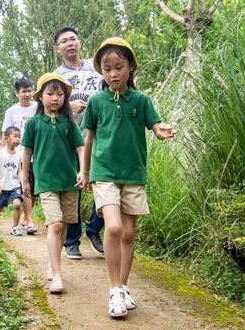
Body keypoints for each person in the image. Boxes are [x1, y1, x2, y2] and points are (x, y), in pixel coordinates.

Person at [80, 37, 176, 317]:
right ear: (101, 71)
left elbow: (154, 125)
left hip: (133, 173)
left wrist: (162, 130)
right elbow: (89, 138)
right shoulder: (96, 102)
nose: (113, 73)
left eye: (118, 67)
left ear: (130, 66)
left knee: (129, 232)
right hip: (104, 173)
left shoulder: (141, 100)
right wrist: (85, 171)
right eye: (107, 68)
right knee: (113, 228)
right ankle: (114, 289)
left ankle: (122, 286)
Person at [21, 73, 85, 294]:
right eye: (50, 93)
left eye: (60, 94)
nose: (55, 98)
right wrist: (24, 180)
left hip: (69, 181)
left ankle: (53, 263)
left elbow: (80, 147)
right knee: (55, 224)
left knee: (65, 225)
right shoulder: (34, 123)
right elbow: (27, 153)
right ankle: (57, 276)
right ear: (40, 97)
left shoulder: (69, 123)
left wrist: (83, 171)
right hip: (46, 181)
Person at [53, 26, 105, 260]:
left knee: (105, 183)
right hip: (71, 139)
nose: (70, 43)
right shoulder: (57, 77)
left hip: (100, 136)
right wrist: (68, 107)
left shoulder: (97, 69)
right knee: (74, 189)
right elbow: (47, 108)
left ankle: (94, 228)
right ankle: (71, 241)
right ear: (58, 49)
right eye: (64, 41)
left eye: (73, 39)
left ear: (80, 42)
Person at [1, 77, 38, 235]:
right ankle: (29, 220)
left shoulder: (38, 107)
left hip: (39, 153)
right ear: (17, 93)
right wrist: (5, 156)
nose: (27, 94)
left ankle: (25, 217)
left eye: (30, 90)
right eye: (24, 91)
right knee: (26, 187)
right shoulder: (11, 111)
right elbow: (5, 135)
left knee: (35, 189)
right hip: (21, 155)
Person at [0, 126, 24, 236]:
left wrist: (23, 183)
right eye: (15, 136)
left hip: (14, 184)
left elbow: (20, 170)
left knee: (17, 204)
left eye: (19, 137)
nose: (18, 139)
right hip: (2, 185)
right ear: (7, 138)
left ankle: (14, 227)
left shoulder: (19, 154)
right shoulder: (0, 152)